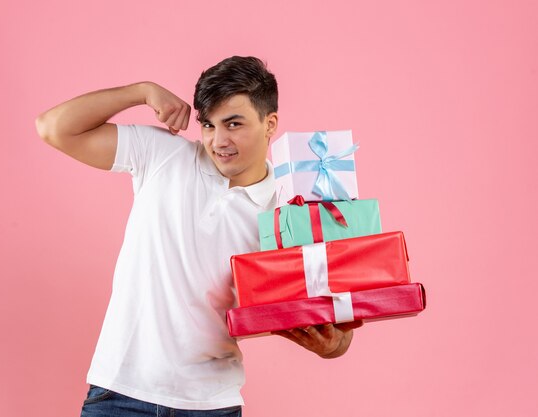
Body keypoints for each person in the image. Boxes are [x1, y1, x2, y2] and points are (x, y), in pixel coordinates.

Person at [35, 56, 362, 417]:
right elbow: (54, 128)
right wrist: (141, 91)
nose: (218, 141)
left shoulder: (288, 209)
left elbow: (334, 318)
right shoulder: (162, 155)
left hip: (212, 405)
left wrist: (332, 345)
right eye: (208, 125)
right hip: (119, 394)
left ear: (270, 124)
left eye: (233, 124)